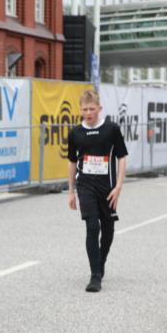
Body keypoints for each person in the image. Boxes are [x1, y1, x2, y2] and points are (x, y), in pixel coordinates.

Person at [67, 89, 128, 292]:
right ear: (80, 109)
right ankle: (95, 276)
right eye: (85, 109)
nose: (88, 113)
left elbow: (121, 157)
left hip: (108, 187)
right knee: (92, 227)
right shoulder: (75, 133)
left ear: (100, 109)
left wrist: (118, 186)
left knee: (108, 229)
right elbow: (72, 162)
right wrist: (71, 191)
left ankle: (100, 263)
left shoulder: (111, 129)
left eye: (92, 109)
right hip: (85, 186)